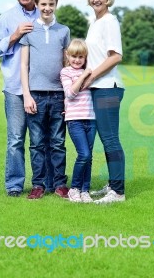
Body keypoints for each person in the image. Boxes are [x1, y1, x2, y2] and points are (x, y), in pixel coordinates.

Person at [0, 0, 53, 197]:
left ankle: (44, 183)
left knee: (42, 139)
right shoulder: (6, 19)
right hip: (15, 89)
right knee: (16, 139)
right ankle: (15, 185)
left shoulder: (45, 14)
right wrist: (14, 36)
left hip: (41, 89)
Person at [20, 0, 70, 200]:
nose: (47, 8)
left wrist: (68, 97)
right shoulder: (29, 30)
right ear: (37, 5)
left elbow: (68, 65)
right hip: (36, 95)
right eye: (43, 4)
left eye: (51, 4)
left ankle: (60, 184)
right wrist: (27, 95)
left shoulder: (64, 31)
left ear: (56, 4)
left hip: (58, 95)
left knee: (58, 143)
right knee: (37, 143)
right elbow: (23, 66)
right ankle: (38, 185)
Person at [82, 0, 126, 204]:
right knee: (106, 138)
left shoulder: (109, 21)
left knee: (110, 139)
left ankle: (117, 192)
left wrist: (90, 77)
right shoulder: (96, 22)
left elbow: (115, 56)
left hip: (108, 88)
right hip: (98, 87)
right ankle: (113, 184)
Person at [60, 39, 96, 203]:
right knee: (84, 154)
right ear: (68, 56)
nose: (77, 60)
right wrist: (83, 75)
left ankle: (85, 190)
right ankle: (74, 188)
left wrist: (87, 73)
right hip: (74, 120)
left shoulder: (89, 71)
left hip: (91, 118)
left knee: (89, 157)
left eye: (81, 57)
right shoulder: (66, 72)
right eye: (74, 56)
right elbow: (70, 93)